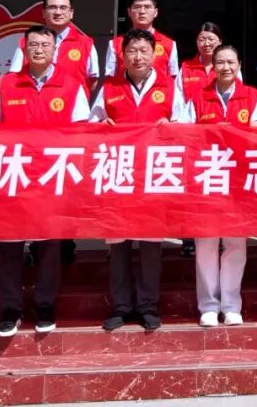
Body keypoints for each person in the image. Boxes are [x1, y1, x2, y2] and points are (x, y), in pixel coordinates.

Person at [0, 25, 91, 337]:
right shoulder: (7, 83)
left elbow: (82, 132)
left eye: (45, 45)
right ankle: (10, 309)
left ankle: (45, 305)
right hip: (14, 175)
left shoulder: (71, 85)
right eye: (33, 45)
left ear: (55, 50)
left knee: (49, 245)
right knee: (11, 245)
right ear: (24, 49)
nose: (39, 50)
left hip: (52, 176)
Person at [90, 28, 185, 332]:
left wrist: (171, 126)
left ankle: (147, 306)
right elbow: (92, 124)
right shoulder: (109, 87)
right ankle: (121, 306)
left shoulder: (169, 87)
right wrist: (102, 125)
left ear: (155, 54)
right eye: (132, 51)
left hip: (154, 174)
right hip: (119, 173)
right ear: (122, 55)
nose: (138, 56)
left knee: (150, 243)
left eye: (144, 50)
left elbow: (185, 126)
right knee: (118, 244)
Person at [179, 44, 257, 327]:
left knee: (235, 244)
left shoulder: (251, 95)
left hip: (239, 180)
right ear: (213, 66)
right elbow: (185, 134)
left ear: (239, 64)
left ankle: (231, 305)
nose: (226, 67)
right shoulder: (198, 96)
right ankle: (207, 306)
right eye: (220, 62)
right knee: (205, 243)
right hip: (207, 177)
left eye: (231, 62)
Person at [9, 0, 99, 93]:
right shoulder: (26, 43)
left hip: (71, 101)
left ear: (71, 13)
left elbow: (93, 82)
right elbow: (14, 76)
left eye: (63, 8)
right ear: (43, 12)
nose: (58, 12)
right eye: (52, 7)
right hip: (33, 101)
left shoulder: (86, 44)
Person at [104, 0, 179, 79]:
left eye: (147, 7)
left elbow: (173, 77)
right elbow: (109, 77)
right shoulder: (115, 44)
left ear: (156, 12)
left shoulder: (169, 44)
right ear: (129, 12)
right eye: (137, 7)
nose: (142, 11)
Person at [178, 22, 224, 99]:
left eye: (211, 39)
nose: (206, 44)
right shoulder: (186, 68)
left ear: (220, 42)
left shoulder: (229, 67)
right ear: (196, 42)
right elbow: (178, 97)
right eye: (202, 39)